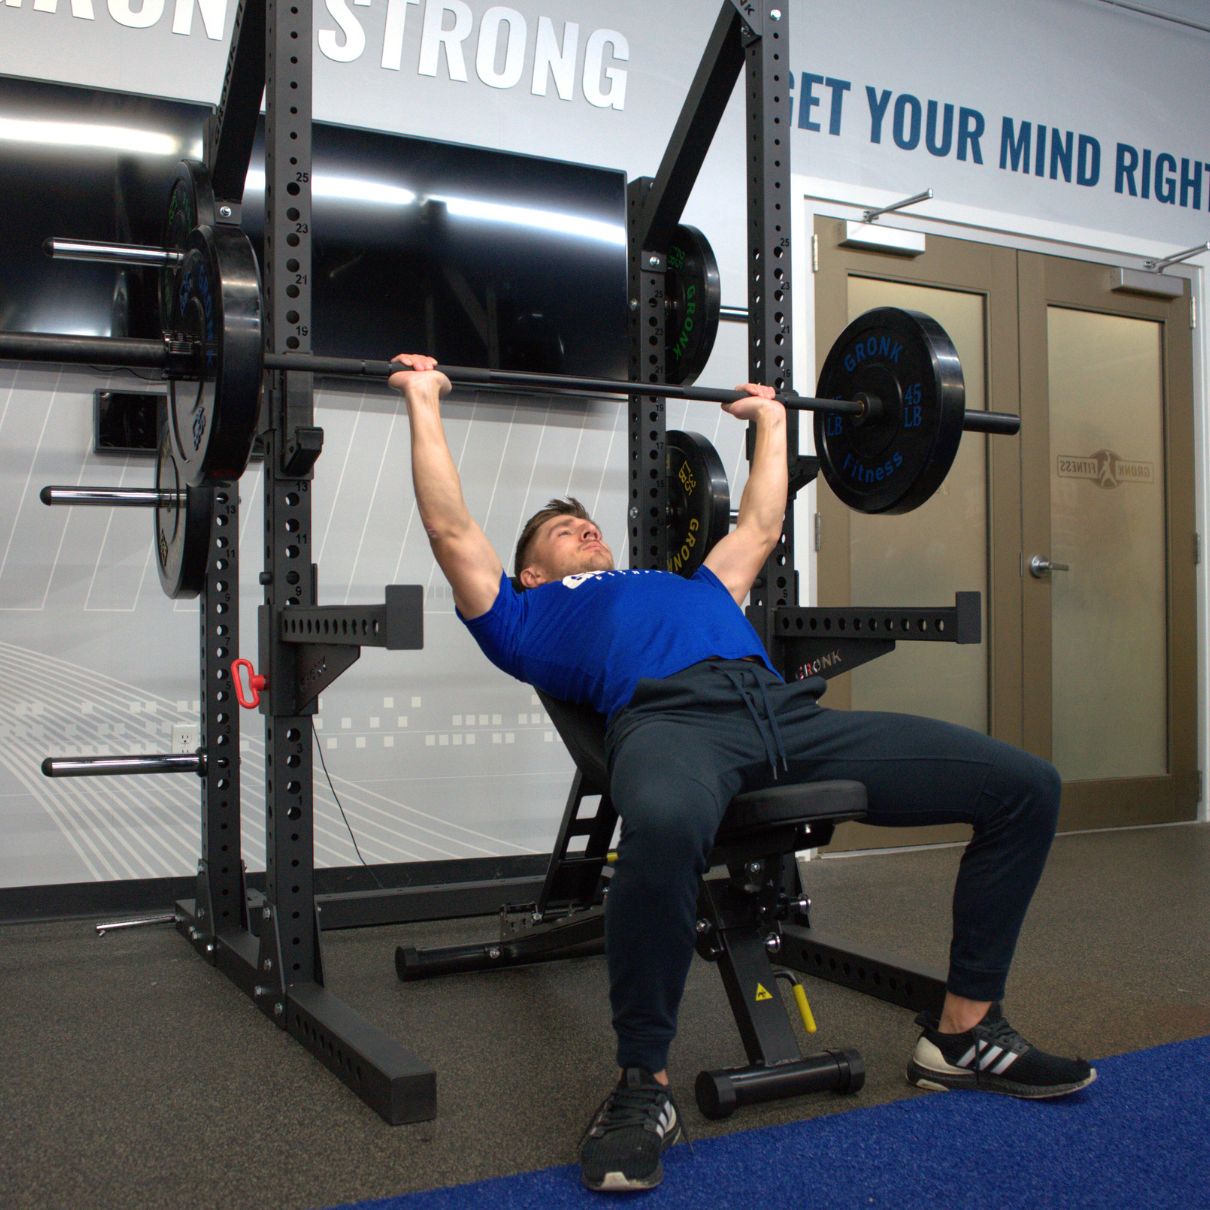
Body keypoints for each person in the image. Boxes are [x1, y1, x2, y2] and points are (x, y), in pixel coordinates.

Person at [389, 353, 1096, 1194]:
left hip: (781, 715)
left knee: (1025, 787)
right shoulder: (523, 613)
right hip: (669, 724)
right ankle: (642, 1085)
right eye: (561, 531)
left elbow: (760, 526)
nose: (587, 530)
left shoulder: (695, 585)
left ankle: (960, 1036)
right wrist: (423, 398)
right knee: (662, 825)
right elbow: (452, 531)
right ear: (533, 569)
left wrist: (771, 422)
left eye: (591, 525)